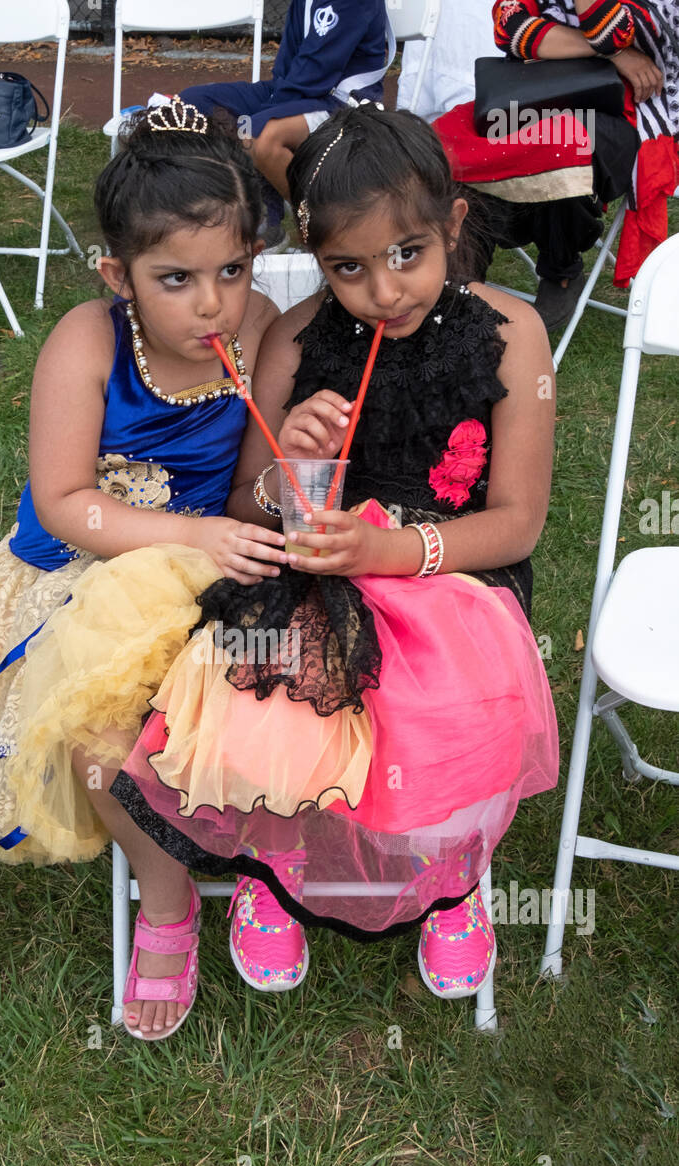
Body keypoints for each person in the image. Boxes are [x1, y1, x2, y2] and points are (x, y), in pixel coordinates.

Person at [101, 104, 560, 1018]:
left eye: (407, 255)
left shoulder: (513, 334)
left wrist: (389, 550)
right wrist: (286, 469)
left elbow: (515, 526)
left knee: (441, 698)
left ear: (455, 226)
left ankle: (452, 875)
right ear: (316, 259)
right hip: (314, 572)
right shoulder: (300, 340)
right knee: (267, 688)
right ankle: (275, 867)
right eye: (348, 267)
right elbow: (246, 503)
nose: (383, 291)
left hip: (450, 576)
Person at [0, 101, 284, 1036]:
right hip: (63, 573)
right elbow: (63, 502)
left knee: (112, 749)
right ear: (116, 275)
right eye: (176, 279)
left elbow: (253, 488)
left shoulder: (259, 334)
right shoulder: (87, 342)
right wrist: (189, 534)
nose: (212, 303)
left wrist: (280, 475)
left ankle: (169, 907)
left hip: (191, 588)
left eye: (233, 270)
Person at [460, 1, 679, 330]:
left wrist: (596, 45)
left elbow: (612, 30)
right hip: (533, 95)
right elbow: (511, 28)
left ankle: (560, 266)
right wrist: (614, 56)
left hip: (626, 113)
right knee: (456, 141)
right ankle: (463, 274)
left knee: (566, 144)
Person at [179, 0, 393, 249]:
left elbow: (318, 70)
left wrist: (264, 113)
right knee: (193, 104)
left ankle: (322, 229)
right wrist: (268, 105)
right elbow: (288, 69)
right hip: (295, 90)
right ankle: (264, 209)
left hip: (342, 102)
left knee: (259, 137)